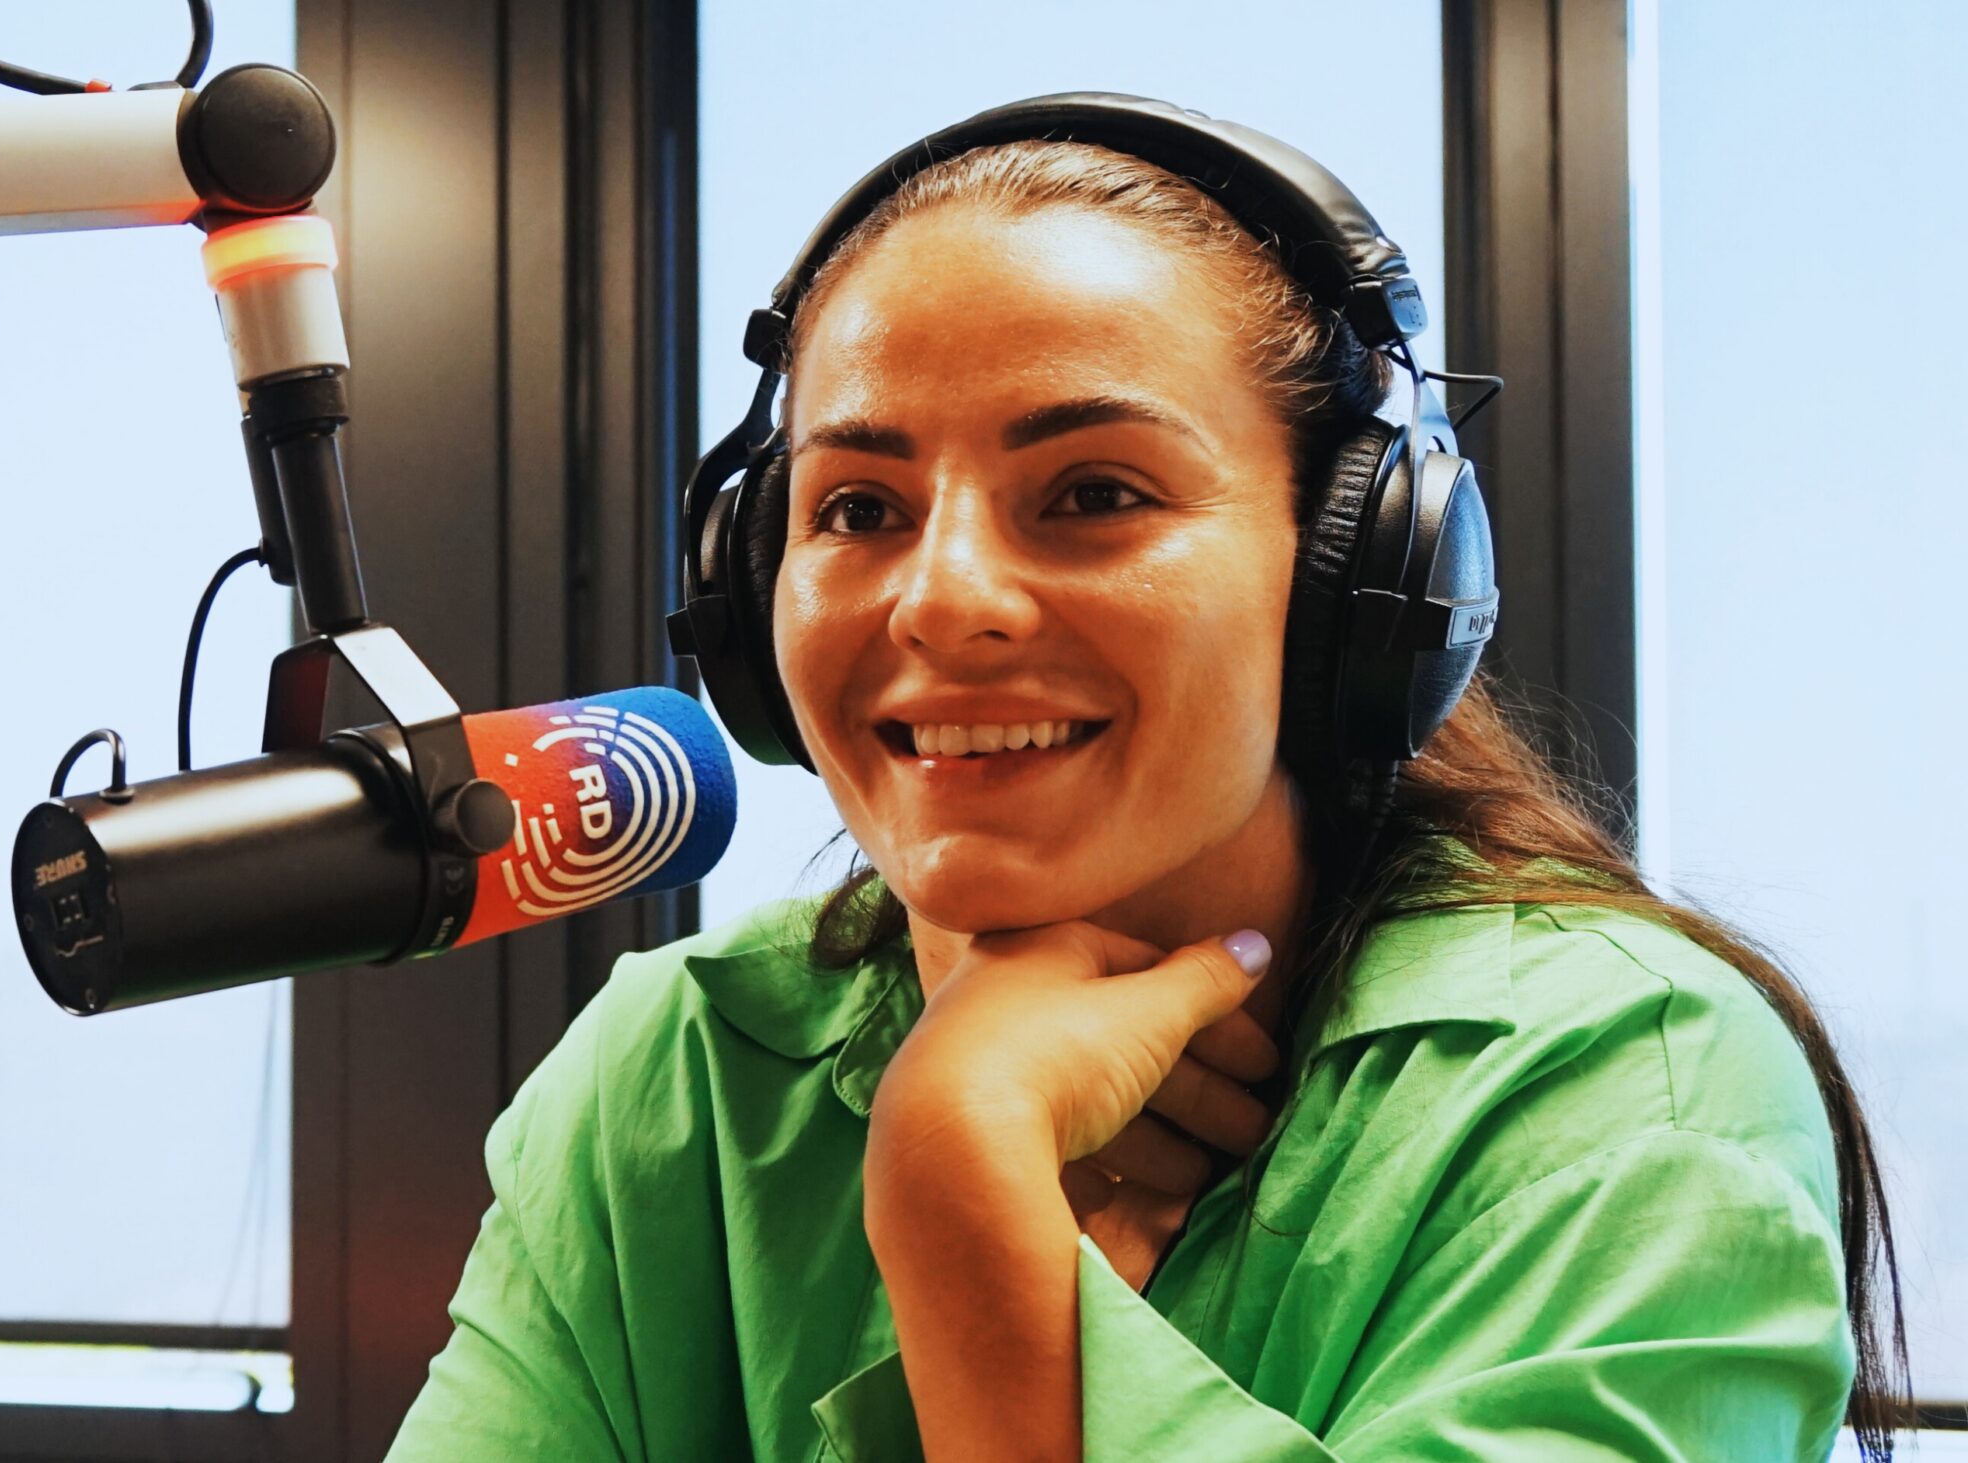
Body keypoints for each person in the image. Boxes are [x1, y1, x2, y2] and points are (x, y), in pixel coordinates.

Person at [386, 112, 1907, 1462]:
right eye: (857, 508)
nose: (943, 599)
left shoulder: (1630, 1096)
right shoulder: (680, 1071)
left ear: (1357, 574)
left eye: (1095, 493)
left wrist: (960, 1206)